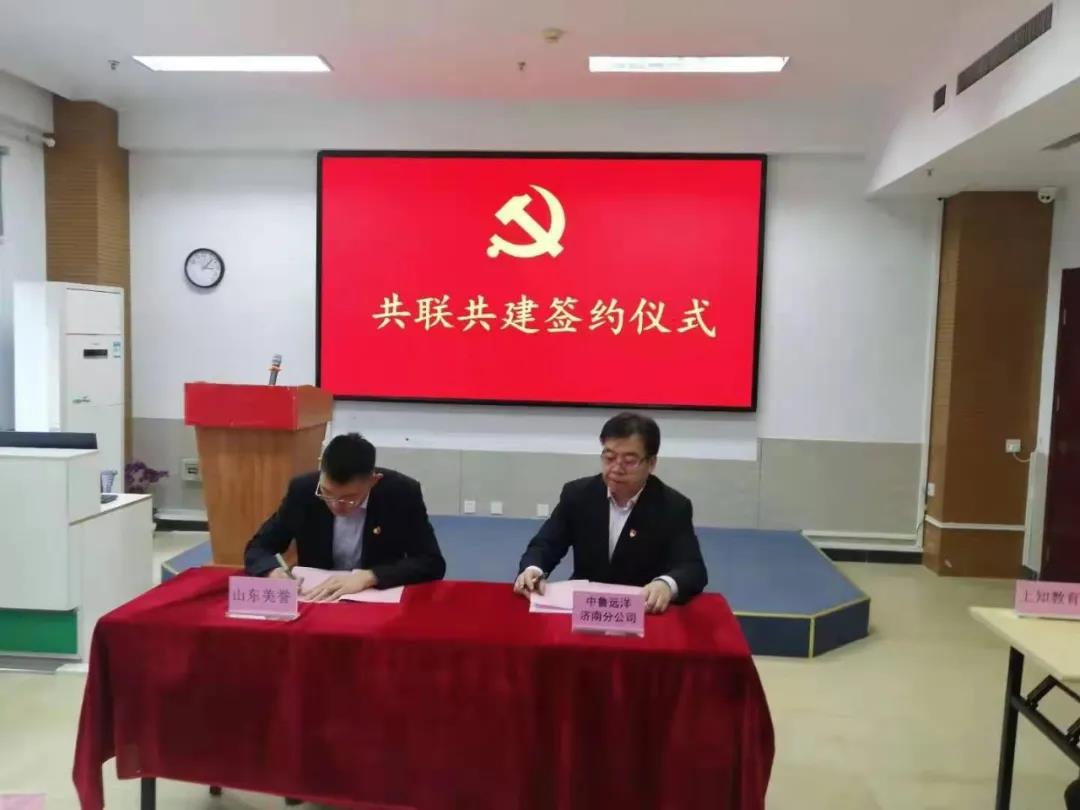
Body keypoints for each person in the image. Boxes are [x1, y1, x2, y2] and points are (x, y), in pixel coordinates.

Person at [513, 412, 707, 614]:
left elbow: (692, 568)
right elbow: (546, 544)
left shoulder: (673, 506)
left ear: (651, 463)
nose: (616, 468)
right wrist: (533, 569)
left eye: (629, 461)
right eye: (609, 457)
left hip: (641, 611)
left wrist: (666, 584)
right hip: (586, 609)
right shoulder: (578, 494)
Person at [244, 432, 446, 600]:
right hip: (317, 598)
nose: (336, 505)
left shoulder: (401, 494)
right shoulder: (304, 490)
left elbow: (431, 562)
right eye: (327, 493)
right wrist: (272, 571)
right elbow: (259, 547)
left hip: (374, 601)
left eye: (349, 498)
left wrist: (370, 577)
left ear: (373, 481)